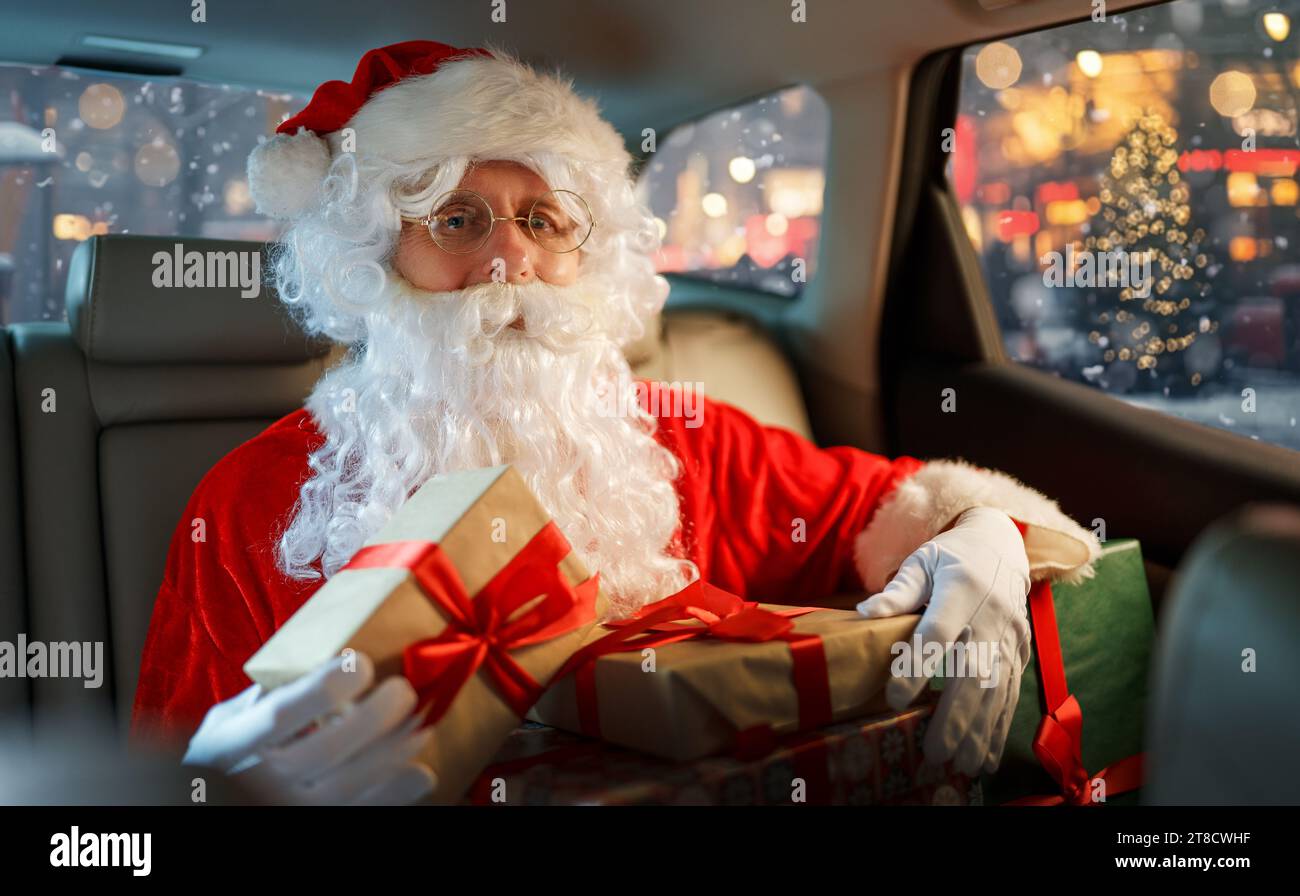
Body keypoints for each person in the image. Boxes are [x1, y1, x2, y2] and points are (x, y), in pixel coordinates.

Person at [131, 40, 1101, 805]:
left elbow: (884, 503)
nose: (509, 258)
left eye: (543, 220)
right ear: (375, 256)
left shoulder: (681, 439)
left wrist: (980, 533)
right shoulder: (255, 499)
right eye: (458, 217)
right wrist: (216, 786)